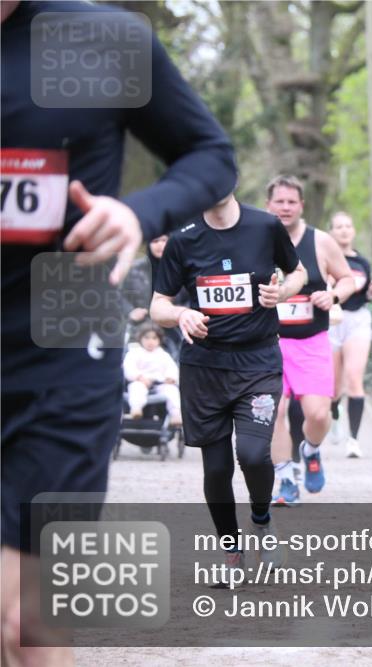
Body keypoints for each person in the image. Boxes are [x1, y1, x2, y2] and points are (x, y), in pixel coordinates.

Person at [1, 1, 237, 662]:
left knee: (29, 622)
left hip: (63, 356)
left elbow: (209, 154)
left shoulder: (105, 41)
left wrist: (138, 212)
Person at [150, 192, 305, 582]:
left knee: (253, 455)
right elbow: (158, 306)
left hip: (258, 363)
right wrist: (182, 313)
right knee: (216, 469)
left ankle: (262, 520)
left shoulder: (265, 226)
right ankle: (232, 552)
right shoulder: (183, 238)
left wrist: (283, 292)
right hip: (204, 367)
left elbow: (299, 272)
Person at [264, 176, 356, 506]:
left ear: (301, 205)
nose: (285, 207)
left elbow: (347, 279)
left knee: (318, 415)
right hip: (267, 344)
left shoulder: (321, 242)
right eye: (280, 201)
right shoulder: (257, 239)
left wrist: (332, 295)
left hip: (311, 341)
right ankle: (285, 478)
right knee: (273, 412)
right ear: (268, 205)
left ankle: (311, 450)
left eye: (292, 202)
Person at [327, 211, 372, 458]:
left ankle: (354, 440)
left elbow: (364, 294)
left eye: (348, 226)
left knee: (353, 378)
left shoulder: (362, 262)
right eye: (338, 226)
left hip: (357, 320)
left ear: (353, 231)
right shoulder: (324, 259)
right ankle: (335, 415)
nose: (344, 230)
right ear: (331, 231)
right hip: (330, 320)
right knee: (333, 385)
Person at [123, 323, 181, 425]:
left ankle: (176, 414)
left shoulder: (163, 355)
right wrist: (138, 377)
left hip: (160, 383)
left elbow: (171, 368)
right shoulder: (135, 353)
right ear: (140, 338)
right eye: (147, 338)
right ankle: (136, 408)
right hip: (141, 381)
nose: (150, 341)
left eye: (154, 338)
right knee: (136, 389)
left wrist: (171, 378)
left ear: (159, 340)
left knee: (172, 391)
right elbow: (128, 367)